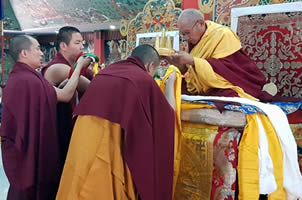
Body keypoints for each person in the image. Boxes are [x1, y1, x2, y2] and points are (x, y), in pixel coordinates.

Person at [56, 44, 175, 200]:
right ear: (150, 66)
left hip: (81, 142)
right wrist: (170, 83)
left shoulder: (105, 72)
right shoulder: (142, 78)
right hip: (108, 146)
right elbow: (168, 116)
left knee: (76, 183)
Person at [0, 35, 91, 200]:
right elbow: (66, 94)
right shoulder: (30, 80)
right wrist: (78, 68)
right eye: (37, 49)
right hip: (29, 150)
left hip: (19, 147)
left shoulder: (20, 77)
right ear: (24, 53)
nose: (42, 53)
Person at [166, 9, 273, 101]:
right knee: (173, 90)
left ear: (201, 23)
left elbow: (226, 69)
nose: (185, 38)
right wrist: (179, 64)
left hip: (232, 82)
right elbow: (193, 73)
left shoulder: (223, 34)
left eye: (187, 33)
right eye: (182, 34)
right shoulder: (197, 39)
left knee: (228, 96)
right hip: (205, 85)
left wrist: (193, 61)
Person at [42, 26, 91, 168]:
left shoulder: (73, 66)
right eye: (77, 43)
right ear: (63, 46)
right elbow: (91, 87)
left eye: (82, 42)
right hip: (56, 129)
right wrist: (82, 67)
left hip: (69, 125)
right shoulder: (57, 67)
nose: (82, 46)